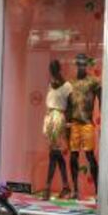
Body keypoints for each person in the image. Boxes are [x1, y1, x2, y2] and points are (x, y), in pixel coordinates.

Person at [67, 54, 101, 200]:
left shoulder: (94, 82)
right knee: (73, 156)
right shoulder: (71, 83)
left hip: (87, 123)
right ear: (76, 65)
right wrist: (66, 123)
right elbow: (68, 105)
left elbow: (102, 100)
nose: (81, 66)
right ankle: (75, 190)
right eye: (79, 64)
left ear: (86, 65)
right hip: (74, 124)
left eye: (83, 64)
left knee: (90, 156)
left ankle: (98, 191)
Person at [42, 60, 72, 200]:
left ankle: (47, 187)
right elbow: (49, 104)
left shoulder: (67, 86)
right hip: (50, 119)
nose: (52, 71)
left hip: (59, 119)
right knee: (56, 154)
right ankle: (66, 186)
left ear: (59, 69)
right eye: (51, 69)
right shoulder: (51, 85)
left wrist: (69, 123)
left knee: (54, 154)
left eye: (54, 68)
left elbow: (70, 106)